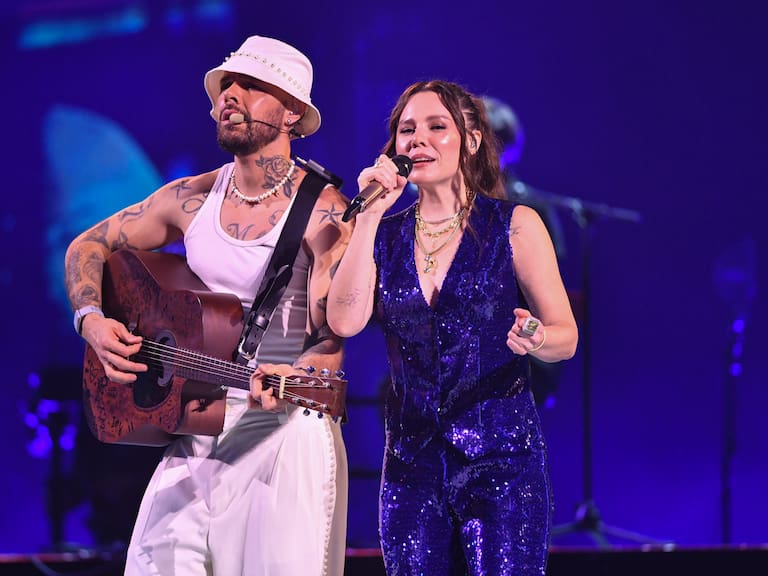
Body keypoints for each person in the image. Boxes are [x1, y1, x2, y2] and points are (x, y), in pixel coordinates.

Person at [64, 35, 352, 575]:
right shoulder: (189, 198)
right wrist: (92, 321)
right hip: (195, 424)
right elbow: (87, 246)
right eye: (226, 84)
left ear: (292, 112)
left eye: (251, 85)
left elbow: (331, 343)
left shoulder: (327, 214)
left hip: (284, 433)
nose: (230, 95)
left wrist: (299, 375)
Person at [327, 80, 578, 575]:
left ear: (472, 139)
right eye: (407, 130)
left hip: (501, 461)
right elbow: (344, 320)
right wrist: (369, 217)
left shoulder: (514, 225)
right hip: (411, 465)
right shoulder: (385, 235)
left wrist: (538, 338)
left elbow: (565, 336)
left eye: (436, 126)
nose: (418, 139)